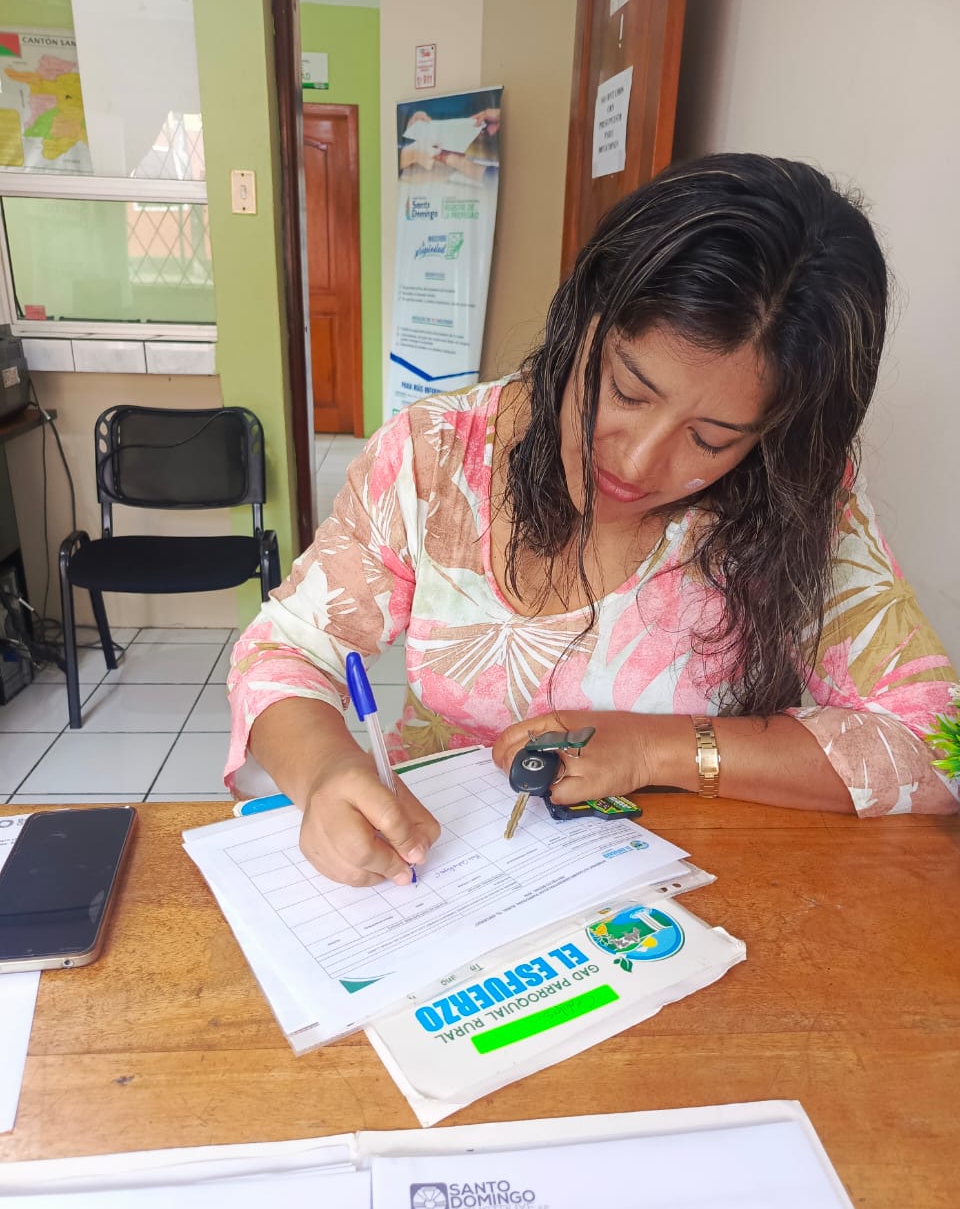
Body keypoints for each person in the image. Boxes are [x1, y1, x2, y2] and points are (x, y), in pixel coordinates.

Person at [226, 153, 959, 888]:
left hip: (680, 896)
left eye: (710, 440)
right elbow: (284, 652)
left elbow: (935, 745)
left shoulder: (793, 501)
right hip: (438, 869)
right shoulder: (436, 456)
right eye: (628, 391)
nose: (637, 462)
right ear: (584, 320)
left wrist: (655, 749)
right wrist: (325, 770)